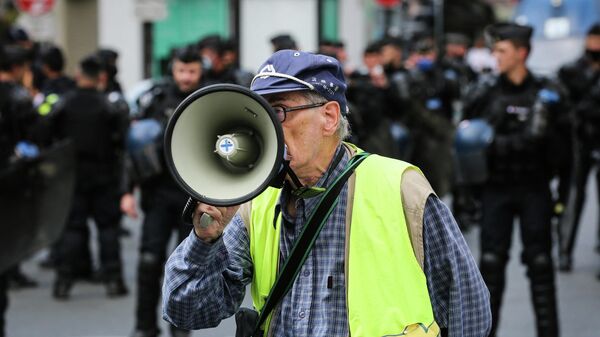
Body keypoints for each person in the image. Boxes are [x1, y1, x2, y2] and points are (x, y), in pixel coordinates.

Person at [162, 50, 491, 337]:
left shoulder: (400, 187)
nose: (266, 128)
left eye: (278, 112)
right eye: (258, 113)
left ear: (330, 117)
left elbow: (468, 310)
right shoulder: (255, 203)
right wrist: (205, 240)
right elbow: (186, 312)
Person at [463, 23, 570, 337]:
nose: (495, 56)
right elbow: (465, 145)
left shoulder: (548, 93)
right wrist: (471, 195)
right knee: (491, 268)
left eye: (502, 50)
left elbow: (567, 151)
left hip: (535, 188)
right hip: (496, 190)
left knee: (540, 266)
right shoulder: (484, 93)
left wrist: (563, 195)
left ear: (521, 53)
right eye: (494, 50)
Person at [122, 46, 201, 337]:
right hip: (157, 194)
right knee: (148, 262)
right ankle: (144, 326)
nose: (186, 77)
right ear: (173, 69)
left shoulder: (208, 99)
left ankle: (180, 328)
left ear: (200, 70)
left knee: (187, 268)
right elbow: (133, 148)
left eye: (192, 71)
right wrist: (127, 191)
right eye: (182, 70)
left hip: (192, 197)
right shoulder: (154, 99)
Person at [47, 55, 129, 300]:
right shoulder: (108, 105)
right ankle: (113, 280)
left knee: (72, 229)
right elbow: (123, 141)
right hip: (104, 175)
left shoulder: (64, 104)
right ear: (100, 78)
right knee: (108, 229)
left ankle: (63, 281)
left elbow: (44, 132)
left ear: (78, 76)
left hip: (73, 176)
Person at [557, 23, 600, 272]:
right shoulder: (572, 71)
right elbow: (565, 109)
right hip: (579, 142)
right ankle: (565, 250)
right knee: (574, 197)